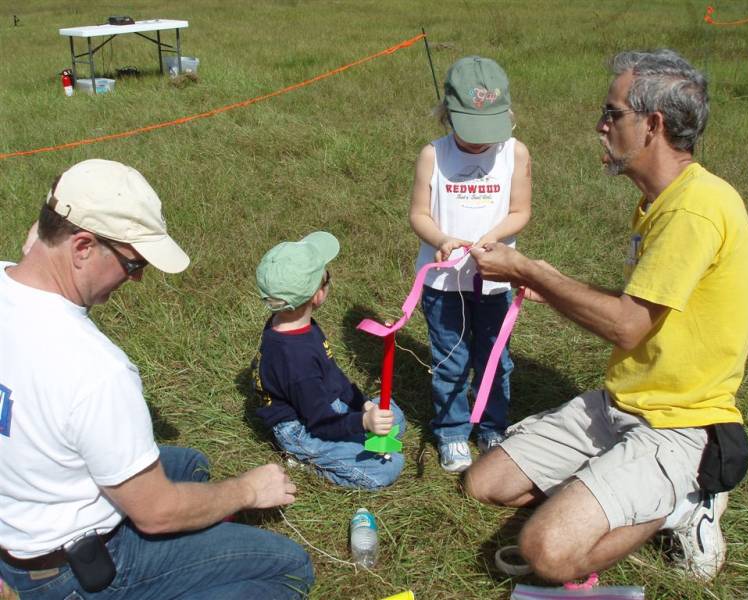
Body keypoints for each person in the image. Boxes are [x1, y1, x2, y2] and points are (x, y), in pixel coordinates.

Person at [466, 49, 748, 582]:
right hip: (620, 402)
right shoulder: (659, 200)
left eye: (612, 113)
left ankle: (686, 503)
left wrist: (530, 272)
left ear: (653, 125)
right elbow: (647, 305)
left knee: (547, 552)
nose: (601, 125)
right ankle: (614, 484)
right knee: (485, 484)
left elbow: (626, 325)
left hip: (679, 422)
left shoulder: (693, 209)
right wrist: (548, 284)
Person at [0, 159, 313, 599]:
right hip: (76, 570)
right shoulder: (96, 370)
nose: (139, 277)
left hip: (20, 522)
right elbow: (156, 513)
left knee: (189, 465)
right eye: (133, 264)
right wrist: (247, 490)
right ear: (82, 246)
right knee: (290, 569)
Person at [409, 55, 532, 473]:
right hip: (443, 286)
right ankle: (452, 431)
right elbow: (419, 214)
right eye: (470, 130)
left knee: (495, 357)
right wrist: (441, 240)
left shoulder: (515, 153)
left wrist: (493, 238)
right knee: (451, 359)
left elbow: (520, 210)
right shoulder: (433, 155)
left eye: (488, 131)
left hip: (495, 280)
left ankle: (492, 426)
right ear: (448, 114)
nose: (480, 144)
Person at [252, 231, 406, 489]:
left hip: (321, 402)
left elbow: (332, 373)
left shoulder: (295, 323)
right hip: (303, 428)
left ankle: (355, 435)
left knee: (394, 415)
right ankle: (304, 459)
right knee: (387, 468)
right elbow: (320, 423)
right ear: (318, 296)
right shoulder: (296, 362)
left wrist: (363, 404)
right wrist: (362, 422)